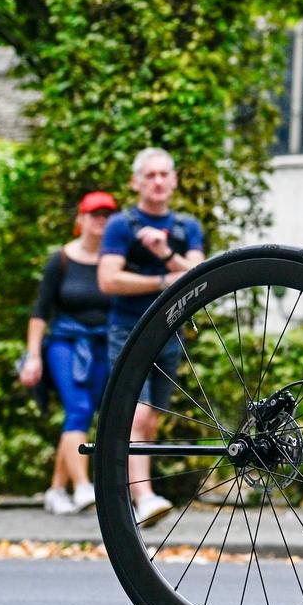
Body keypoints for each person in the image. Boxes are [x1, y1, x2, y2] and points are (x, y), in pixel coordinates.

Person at [98, 148, 205, 527]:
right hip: (127, 331)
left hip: (169, 332)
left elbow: (202, 275)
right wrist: (163, 281)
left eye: (164, 174)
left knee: (152, 420)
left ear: (174, 180)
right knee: (136, 413)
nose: (158, 181)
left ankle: (128, 487)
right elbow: (108, 279)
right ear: (136, 182)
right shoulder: (120, 226)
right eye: (150, 175)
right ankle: (142, 498)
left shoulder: (185, 227)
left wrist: (164, 253)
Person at [19, 191, 120, 514]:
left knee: (88, 413)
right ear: (80, 220)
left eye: (107, 215)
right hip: (66, 344)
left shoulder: (114, 261)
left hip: (102, 345)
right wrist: (33, 355)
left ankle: (56, 489)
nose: (100, 220)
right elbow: (39, 311)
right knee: (77, 408)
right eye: (94, 214)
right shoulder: (60, 259)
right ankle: (83, 487)